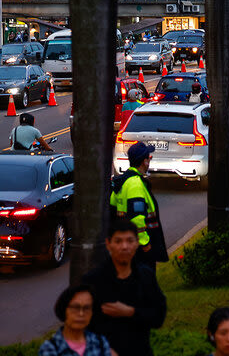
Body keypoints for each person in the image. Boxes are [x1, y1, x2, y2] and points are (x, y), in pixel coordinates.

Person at [83, 220, 167, 356]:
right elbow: (81, 324)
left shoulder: (146, 276)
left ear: (137, 243)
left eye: (129, 241)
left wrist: (131, 312)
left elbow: (158, 316)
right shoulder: (93, 280)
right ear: (108, 244)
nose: (124, 246)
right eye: (118, 241)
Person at [109, 142, 168, 271]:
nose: (149, 161)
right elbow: (137, 219)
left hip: (126, 247)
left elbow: (112, 210)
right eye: (149, 158)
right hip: (139, 250)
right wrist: (145, 245)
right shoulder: (135, 184)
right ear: (144, 162)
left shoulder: (123, 181)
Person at [39, 286, 112, 356]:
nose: (81, 313)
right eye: (75, 307)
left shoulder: (100, 342)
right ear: (64, 309)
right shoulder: (50, 348)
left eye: (86, 308)